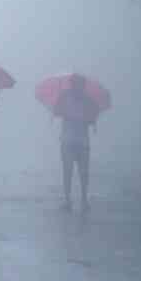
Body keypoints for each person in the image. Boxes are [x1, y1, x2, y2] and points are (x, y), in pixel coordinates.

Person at [53, 74, 99, 212]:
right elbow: (56, 112)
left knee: (79, 172)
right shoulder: (67, 98)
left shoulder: (88, 101)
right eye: (76, 84)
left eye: (79, 85)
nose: (77, 87)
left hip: (76, 141)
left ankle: (78, 200)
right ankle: (73, 200)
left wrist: (83, 118)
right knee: (73, 172)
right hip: (74, 140)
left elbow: (93, 118)